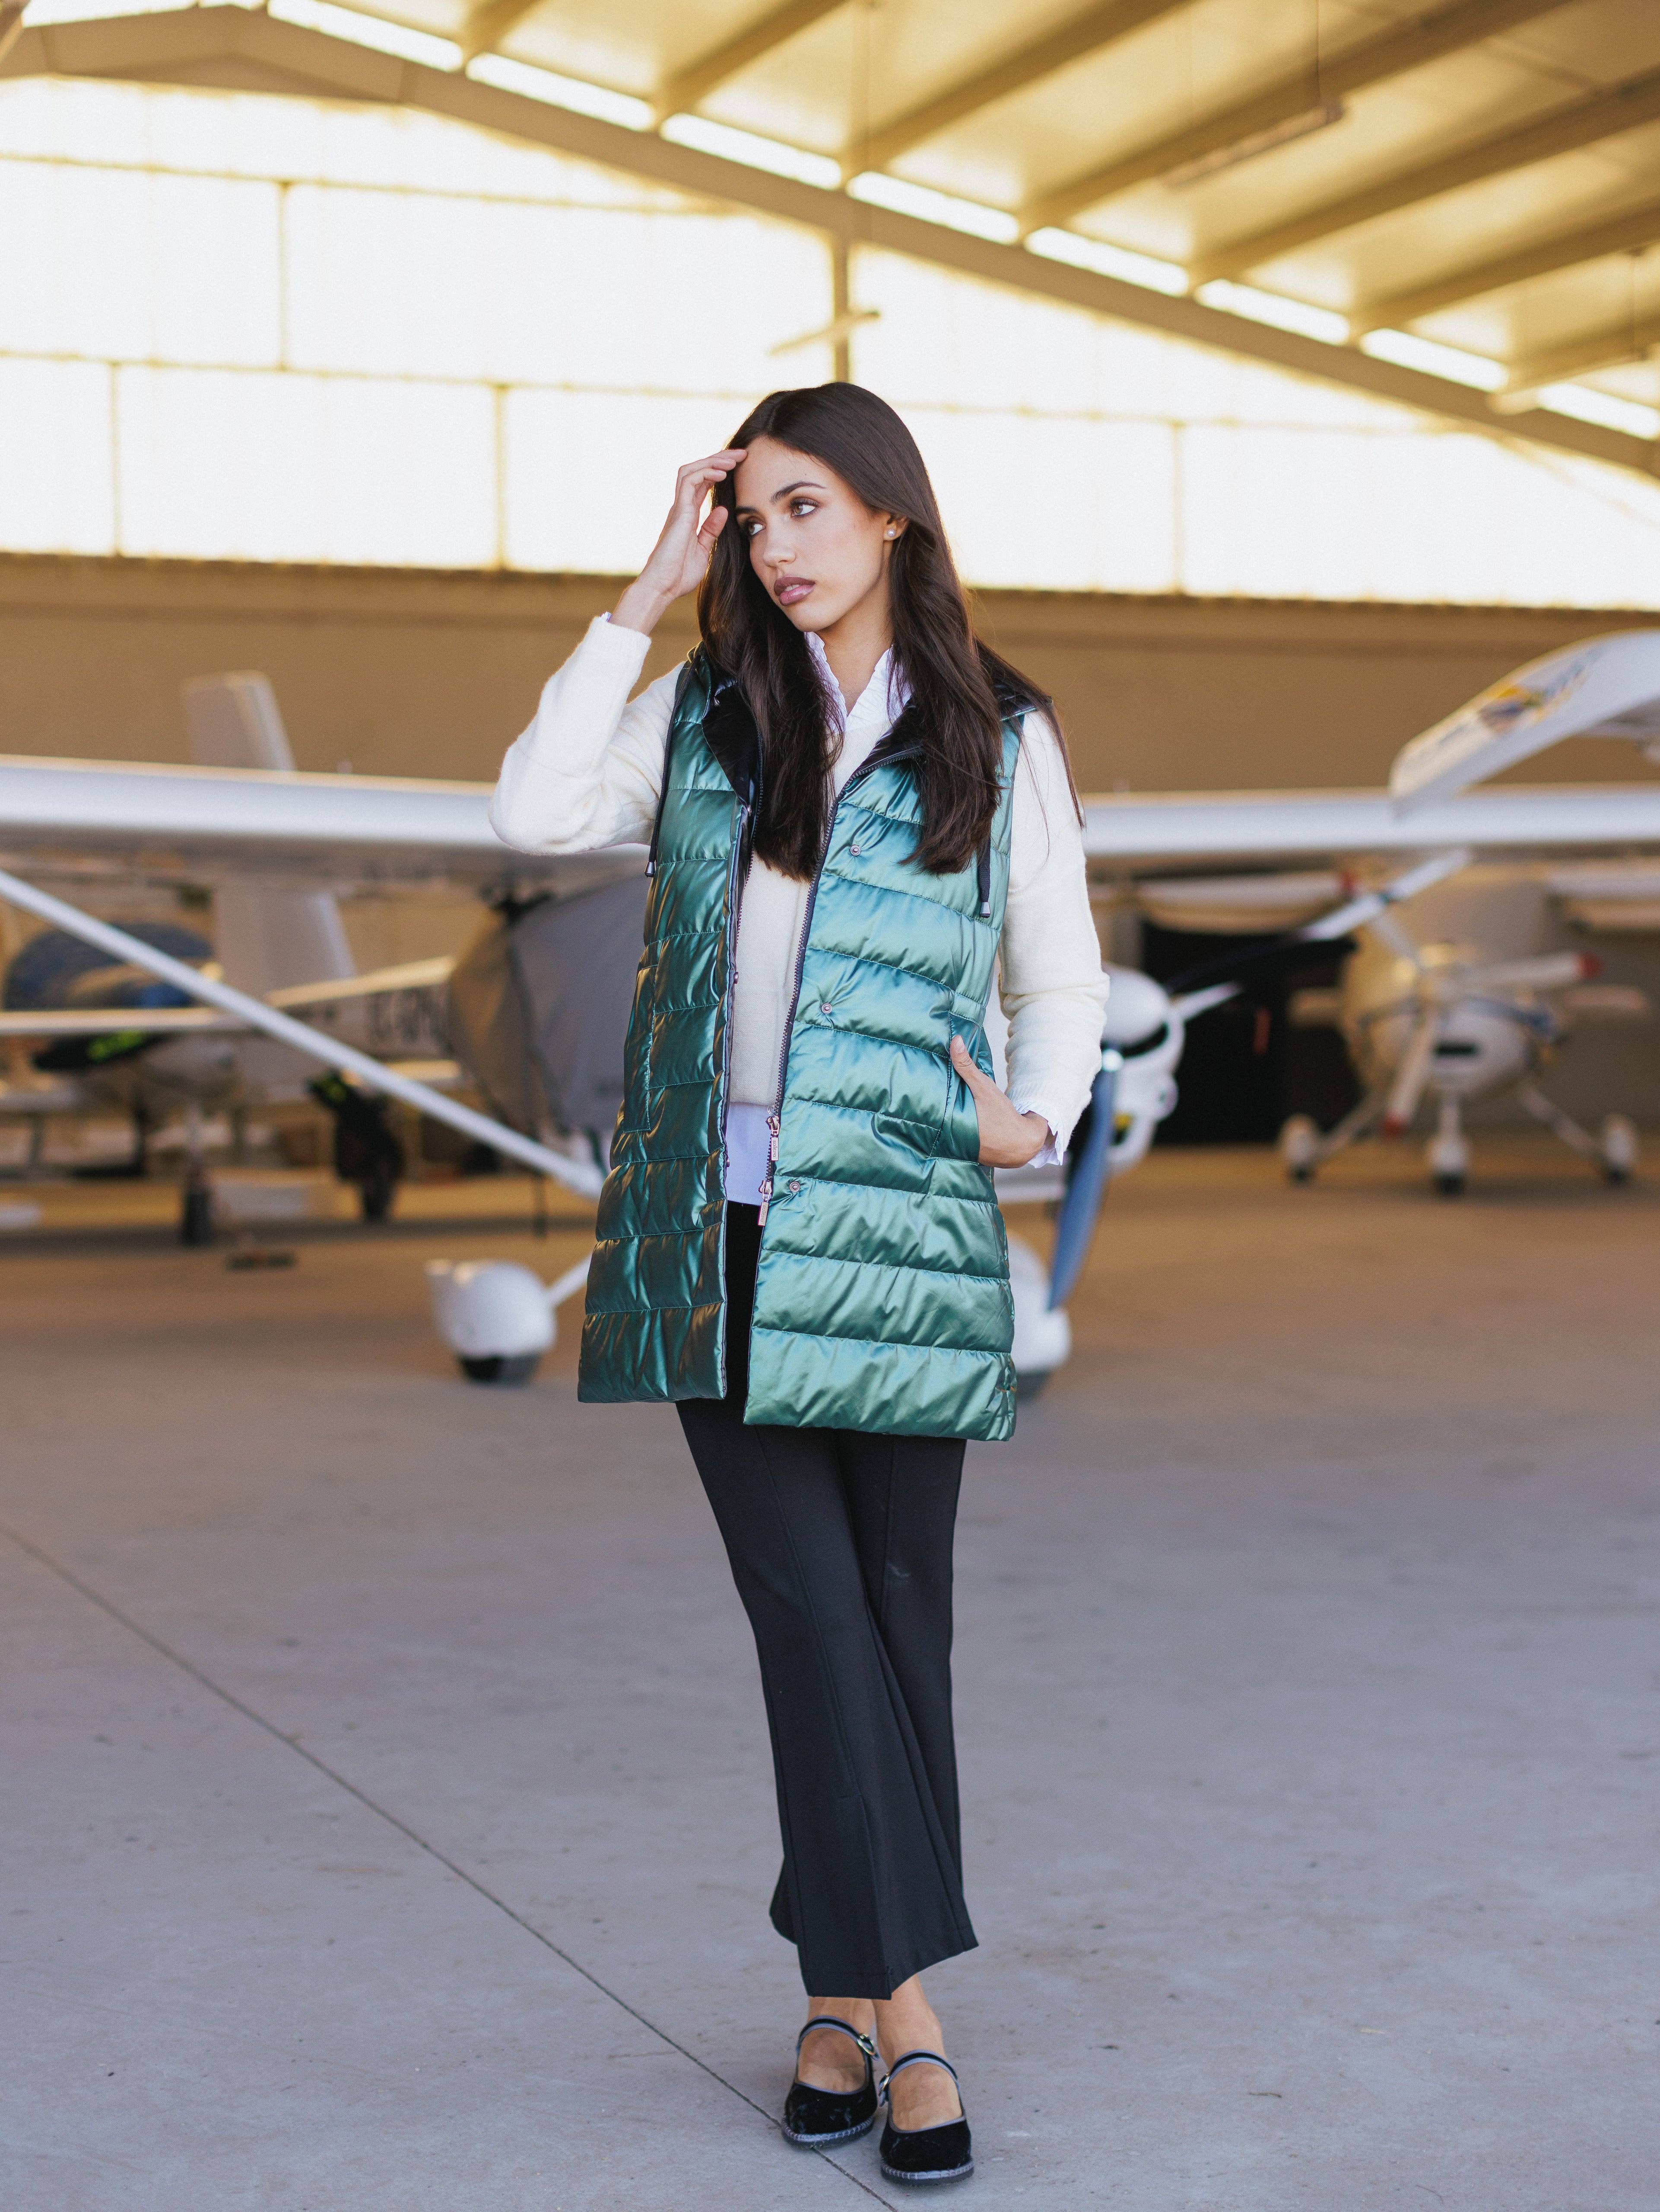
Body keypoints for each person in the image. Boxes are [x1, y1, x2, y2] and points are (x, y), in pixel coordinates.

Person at [491, 383, 1106, 2186]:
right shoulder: (703, 710)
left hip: (903, 1233)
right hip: (720, 1235)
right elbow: (534, 810)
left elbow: (1059, 964)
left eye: (808, 506)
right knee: (813, 1614)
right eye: (750, 516)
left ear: (893, 513)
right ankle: (909, 2017)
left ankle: (833, 1997)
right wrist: (638, 596)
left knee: (897, 1614)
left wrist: (1034, 1116)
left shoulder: (1000, 730)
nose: (776, 546)